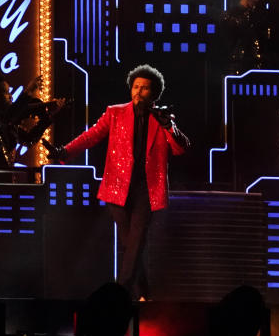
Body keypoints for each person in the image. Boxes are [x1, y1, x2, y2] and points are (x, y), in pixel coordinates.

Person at [54, 64, 190, 300]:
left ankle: (119, 294)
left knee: (135, 240)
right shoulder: (115, 113)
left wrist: (169, 126)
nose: (138, 92)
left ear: (154, 93)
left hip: (147, 190)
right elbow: (92, 135)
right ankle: (145, 293)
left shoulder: (162, 118)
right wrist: (65, 151)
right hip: (117, 186)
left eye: (145, 88)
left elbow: (180, 149)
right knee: (130, 244)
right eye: (136, 87)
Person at [0, 73, 66, 170]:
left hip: (5, 179)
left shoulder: (7, 120)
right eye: (7, 92)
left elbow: (28, 140)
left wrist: (48, 117)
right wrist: (27, 93)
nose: (11, 96)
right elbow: (1, 121)